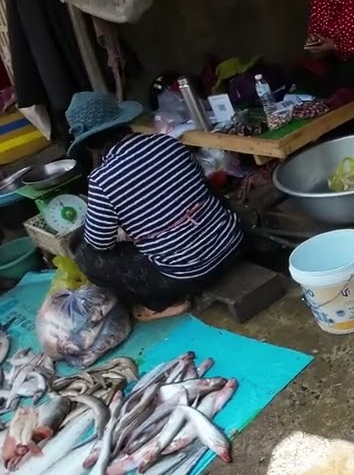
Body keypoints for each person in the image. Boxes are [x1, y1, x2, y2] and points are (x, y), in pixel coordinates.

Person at [68, 92, 245, 321]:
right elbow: (199, 183)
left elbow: (99, 243)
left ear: (89, 144)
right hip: (234, 245)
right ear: (123, 121)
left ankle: (165, 302)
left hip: (193, 273)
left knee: (86, 254)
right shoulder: (168, 143)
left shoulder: (102, 180)